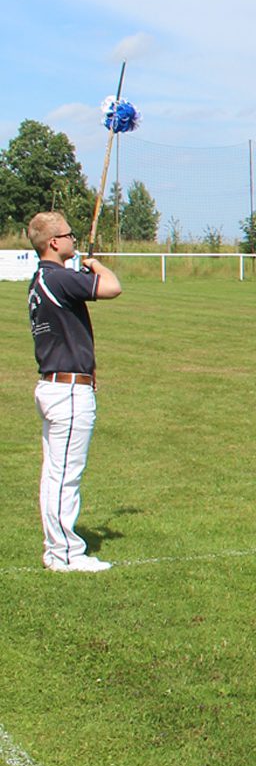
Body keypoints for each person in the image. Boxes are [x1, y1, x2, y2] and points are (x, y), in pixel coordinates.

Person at [27, 212, 123, 572]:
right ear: (54, 242)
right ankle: (65, 554)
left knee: (56, 473)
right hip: (67, 391)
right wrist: (95, 264)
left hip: (55, 386)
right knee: (65, 476)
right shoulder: (60, 279)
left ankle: (57, 548)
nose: (73, 239)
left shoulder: (41, 280)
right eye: (69, 235)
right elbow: (112, 286)